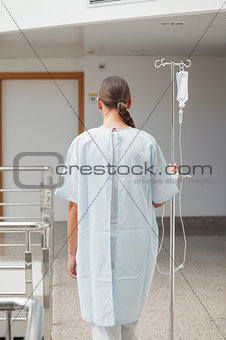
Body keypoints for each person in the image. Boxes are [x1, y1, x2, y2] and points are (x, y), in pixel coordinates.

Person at [54, 76, 179, 340]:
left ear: (98, 103)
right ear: (129, 103)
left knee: (102, 323)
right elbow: (158, 200)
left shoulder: (82, 143)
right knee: (129, 321)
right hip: (137, 244)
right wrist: (171, 176)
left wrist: (71, 254)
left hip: (93, 244)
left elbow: (74, 206)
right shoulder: (146, 142)